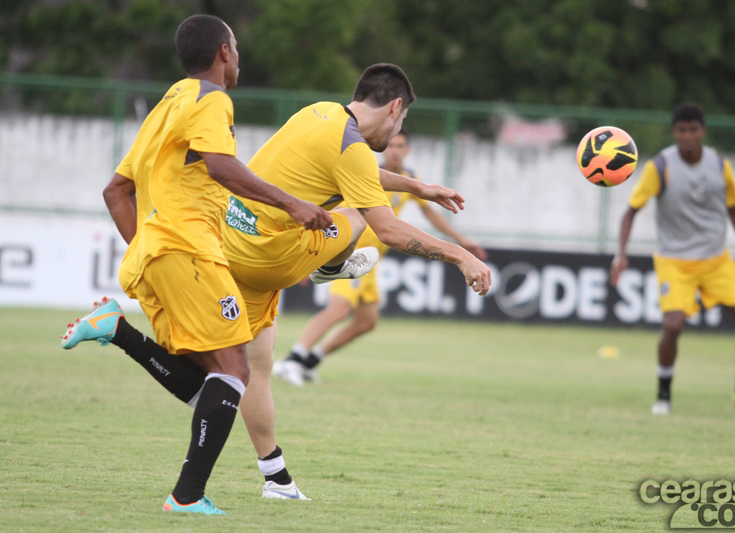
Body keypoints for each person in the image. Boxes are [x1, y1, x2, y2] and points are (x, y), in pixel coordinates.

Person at [60, 14, 331, 514]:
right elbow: (221, 166)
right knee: (234, 368)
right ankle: (186, 496)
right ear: (224, 52)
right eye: (237, 48)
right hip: (187, 251)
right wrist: (293, 204)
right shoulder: (212, 99)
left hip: (153, 255)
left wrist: (148, 250)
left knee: (213, 379)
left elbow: (116, 191)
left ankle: (117, 331)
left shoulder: (168, 102)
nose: (239, 57)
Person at [219, 63, 492, 486]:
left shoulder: (317, 113)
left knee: (254, 366)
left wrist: (417, 187)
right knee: (362, 213)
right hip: (273, 257)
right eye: (402, 120)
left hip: (232, 242)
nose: (397, 130)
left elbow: (356, 169)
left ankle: (277, 478)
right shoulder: (354, 147)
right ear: (395, 108)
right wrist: (461, 255)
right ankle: (331, 266)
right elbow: (387, 229)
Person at [275, 129, 488, 386]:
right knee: (339, 309)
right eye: (392, 145)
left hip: (371, 262)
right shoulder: (365, 173)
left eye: (401, 146)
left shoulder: (410, 179)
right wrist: (314, 252)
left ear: (407, 150)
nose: (395, 150)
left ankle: (309, 362)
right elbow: (334, 207)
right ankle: (292, 360)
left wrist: (462, 240)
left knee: (367, 321)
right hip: (348, 253)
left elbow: (430, 214)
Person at [609, 102, 735, 417]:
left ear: (702, 131)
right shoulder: (660, 167)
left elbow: (734, 210)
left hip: (716, 259)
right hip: (675, 261)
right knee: (673, 325)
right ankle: (663, 397)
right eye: (681, 130)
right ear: (674, 132)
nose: (687, 136)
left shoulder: (719, 165)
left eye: (693, 129)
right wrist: (621, 254)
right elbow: (630, 212)